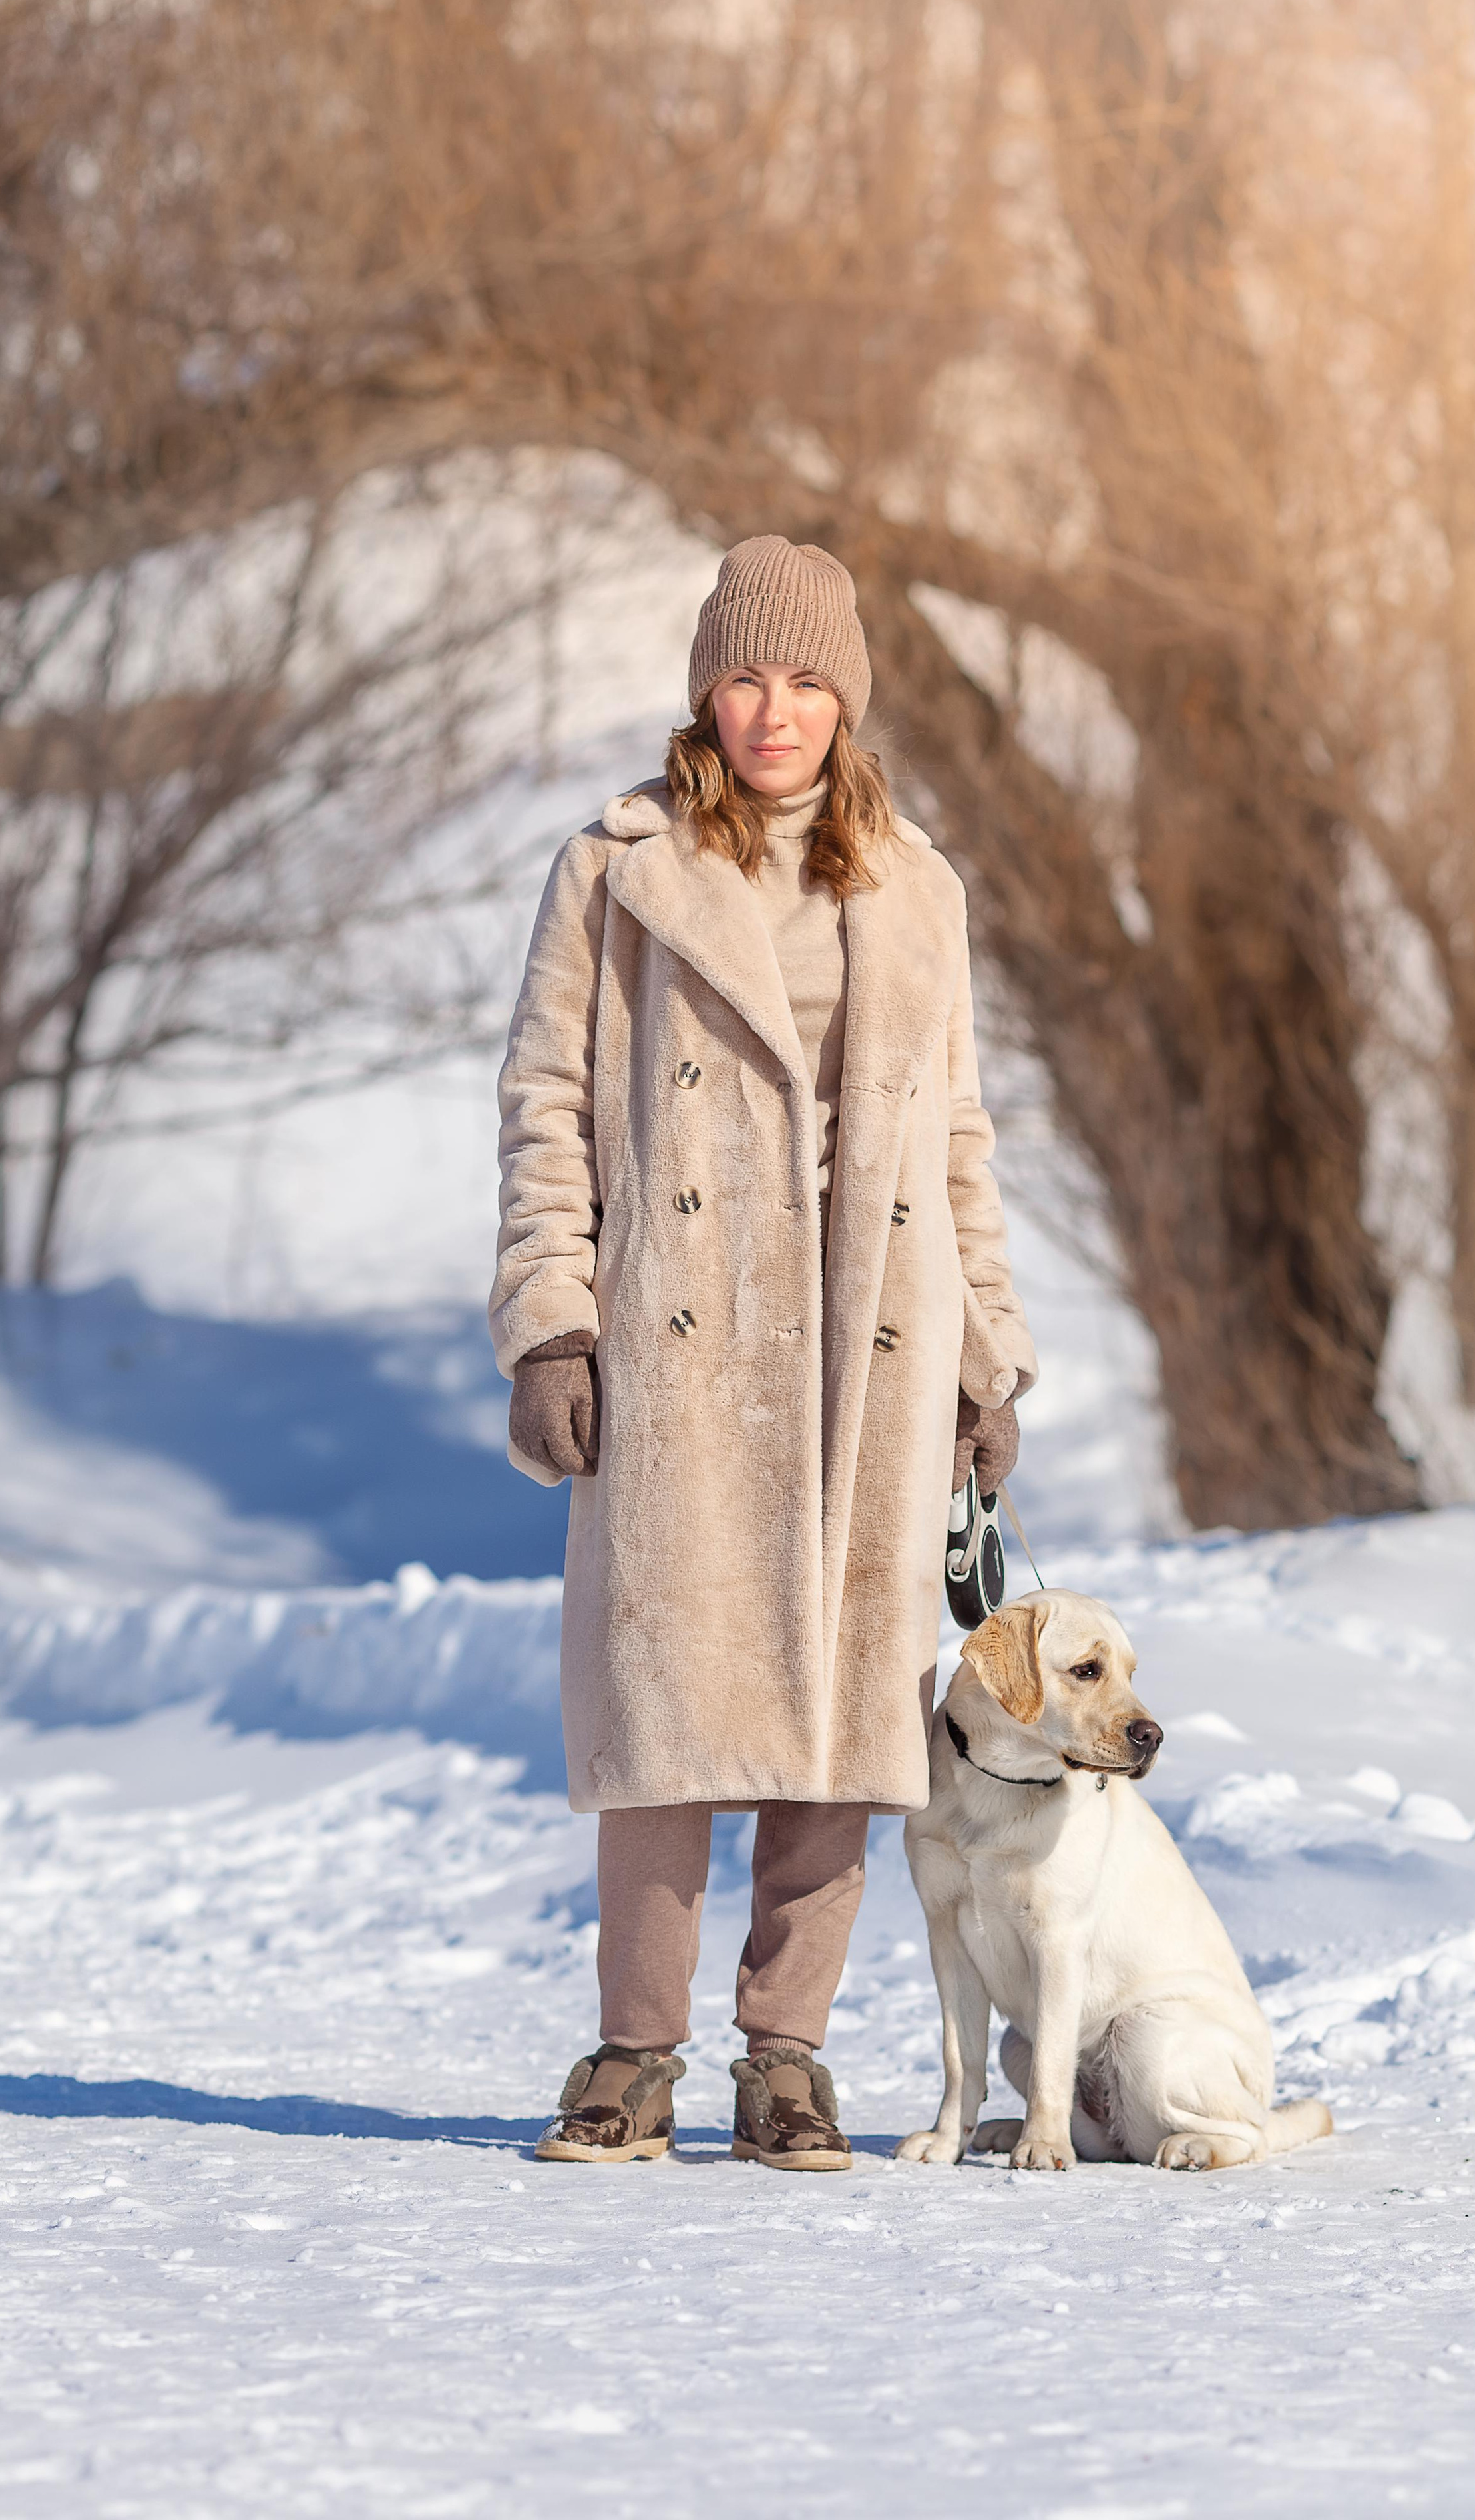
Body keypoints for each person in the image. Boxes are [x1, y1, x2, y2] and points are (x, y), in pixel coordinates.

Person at [489, 534, 1034, 2169]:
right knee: (667, 1700)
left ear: (845, 697)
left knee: (845, 1712)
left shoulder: (915, 884)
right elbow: (544, 1110)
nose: (772, 709)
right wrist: (550, 1322)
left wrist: (986, 1354)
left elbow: (954, 1137)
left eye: (805, 679)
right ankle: (631, 2056)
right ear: (701, 692)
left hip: (870, 1341)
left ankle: (783, 2056)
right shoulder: (616, 870)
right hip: (686, 1338)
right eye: (744, 675)